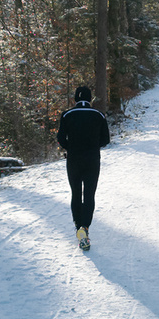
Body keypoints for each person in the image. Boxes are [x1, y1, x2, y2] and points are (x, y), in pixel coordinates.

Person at [56, 85, 110, 250]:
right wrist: (94, 146)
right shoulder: (99, 115)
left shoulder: (67, 114)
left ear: (75, 99)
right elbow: (106, 139)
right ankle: (85, 228)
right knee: (89, 194)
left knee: (75, 193)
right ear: (90, 98)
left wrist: (70, 147)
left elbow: (60, 138)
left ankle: (78, 226)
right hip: (92, 159)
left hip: (73, 159)